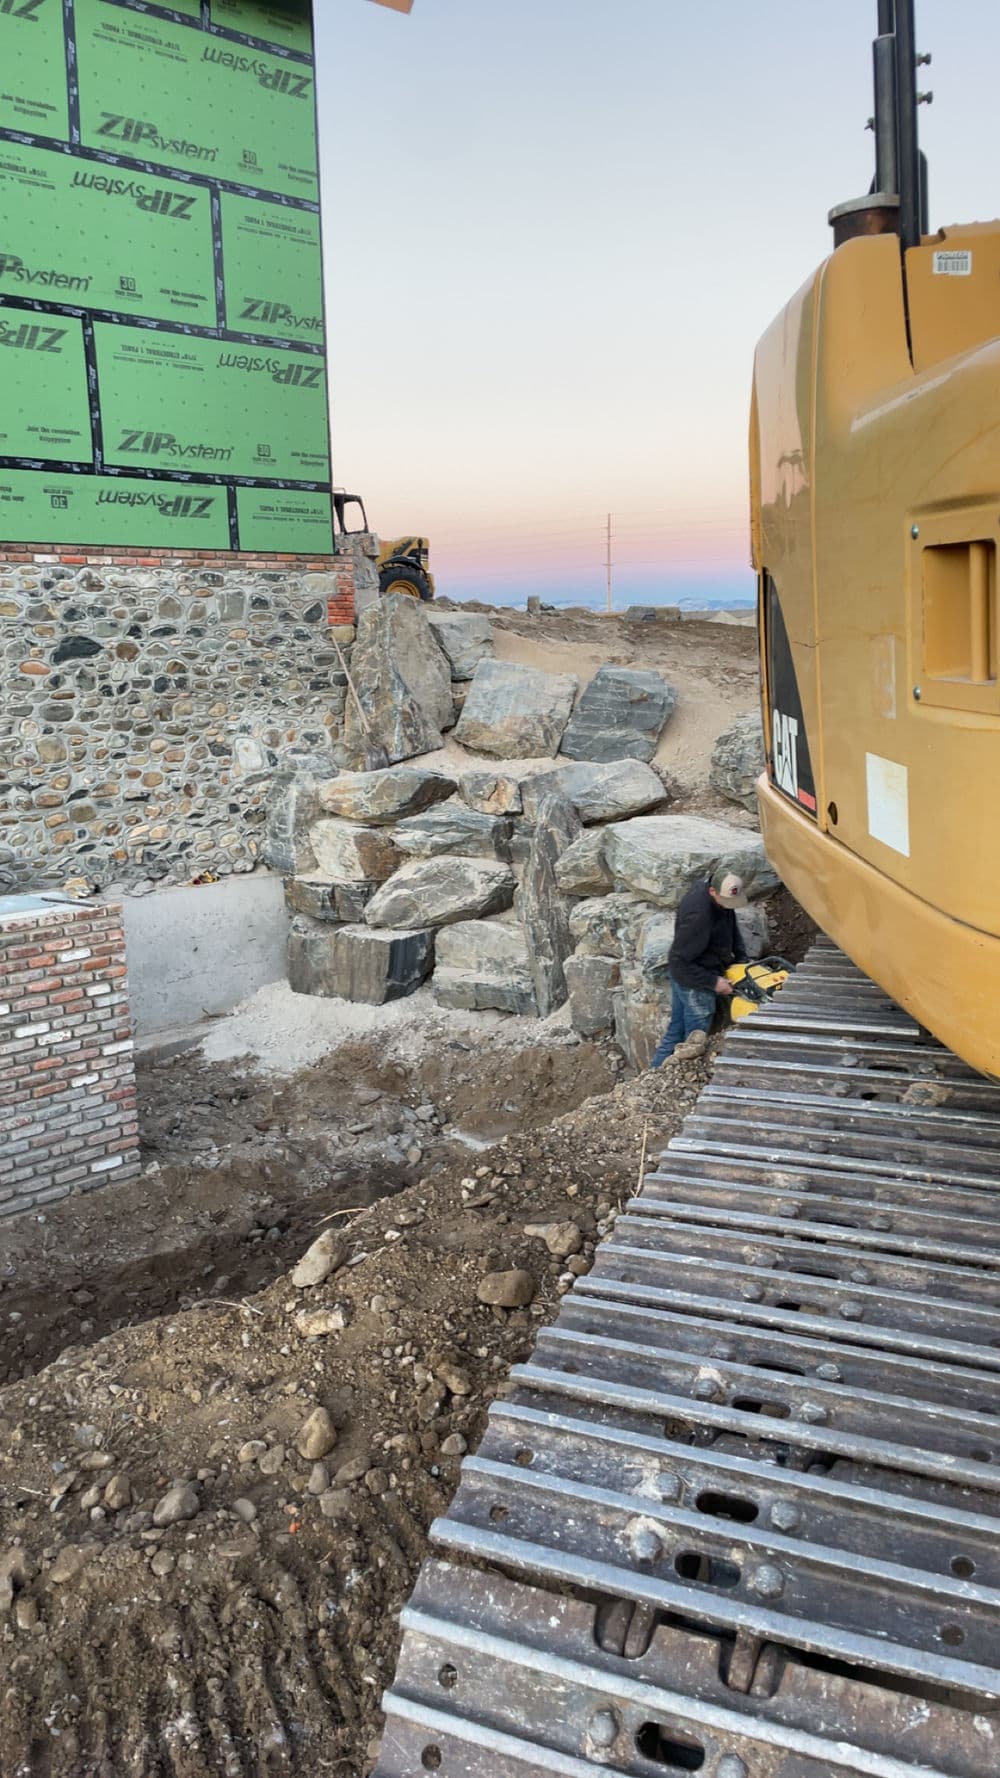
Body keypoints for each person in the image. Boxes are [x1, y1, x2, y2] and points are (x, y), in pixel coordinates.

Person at [651, 867, 749, 1067]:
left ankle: (653, 1074)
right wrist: (714, 982)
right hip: (695, 982)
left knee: (675, 1033)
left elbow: (730, 922)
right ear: (712, 891)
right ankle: (680, 1077)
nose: (730, 907)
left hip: (691, 974)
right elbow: (678, 961)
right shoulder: (699, 916)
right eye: (727, 902)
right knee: (693, 1044)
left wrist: (741, 958)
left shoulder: (717, 894)